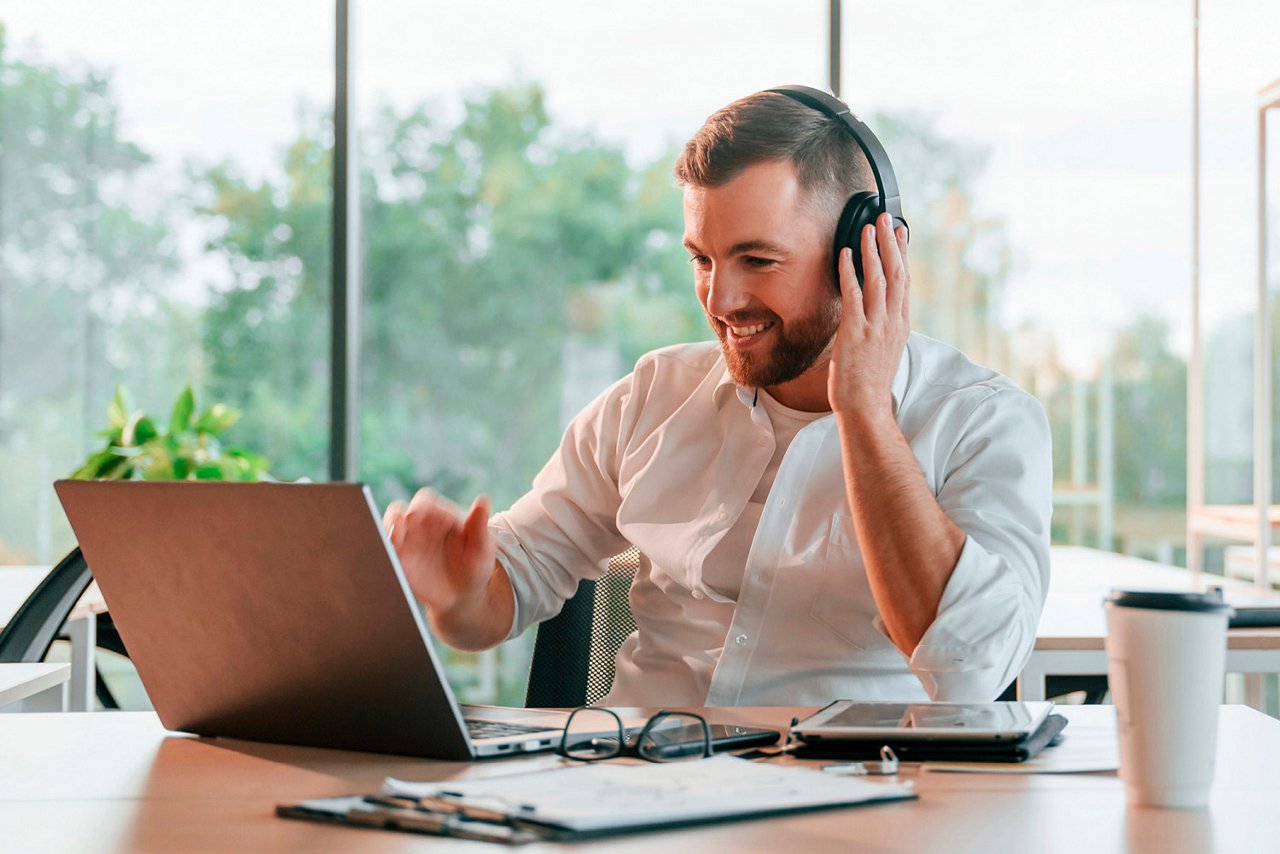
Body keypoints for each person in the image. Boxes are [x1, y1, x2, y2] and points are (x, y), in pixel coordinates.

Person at [383, 89, 1052, 706]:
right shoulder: (652, 397)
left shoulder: (983, 424)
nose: (721, 299)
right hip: (638, 799)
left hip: (849, 810)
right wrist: (460, 593)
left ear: (872, 251)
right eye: (703, 259)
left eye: (758, 261)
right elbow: (504, 596)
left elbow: (972, 668)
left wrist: (865, 410)